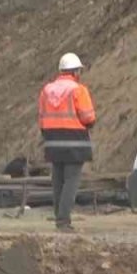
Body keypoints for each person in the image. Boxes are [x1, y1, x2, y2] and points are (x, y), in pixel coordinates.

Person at [38, 52, 97, 232]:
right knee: (71, 181)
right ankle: (63, 221)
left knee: (58, 181)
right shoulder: (78, 90)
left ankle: (59, 217)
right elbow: (89, 118)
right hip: (74, 143)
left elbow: (41, 118)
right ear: (75, 72)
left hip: (53, 142)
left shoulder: (46, 90)